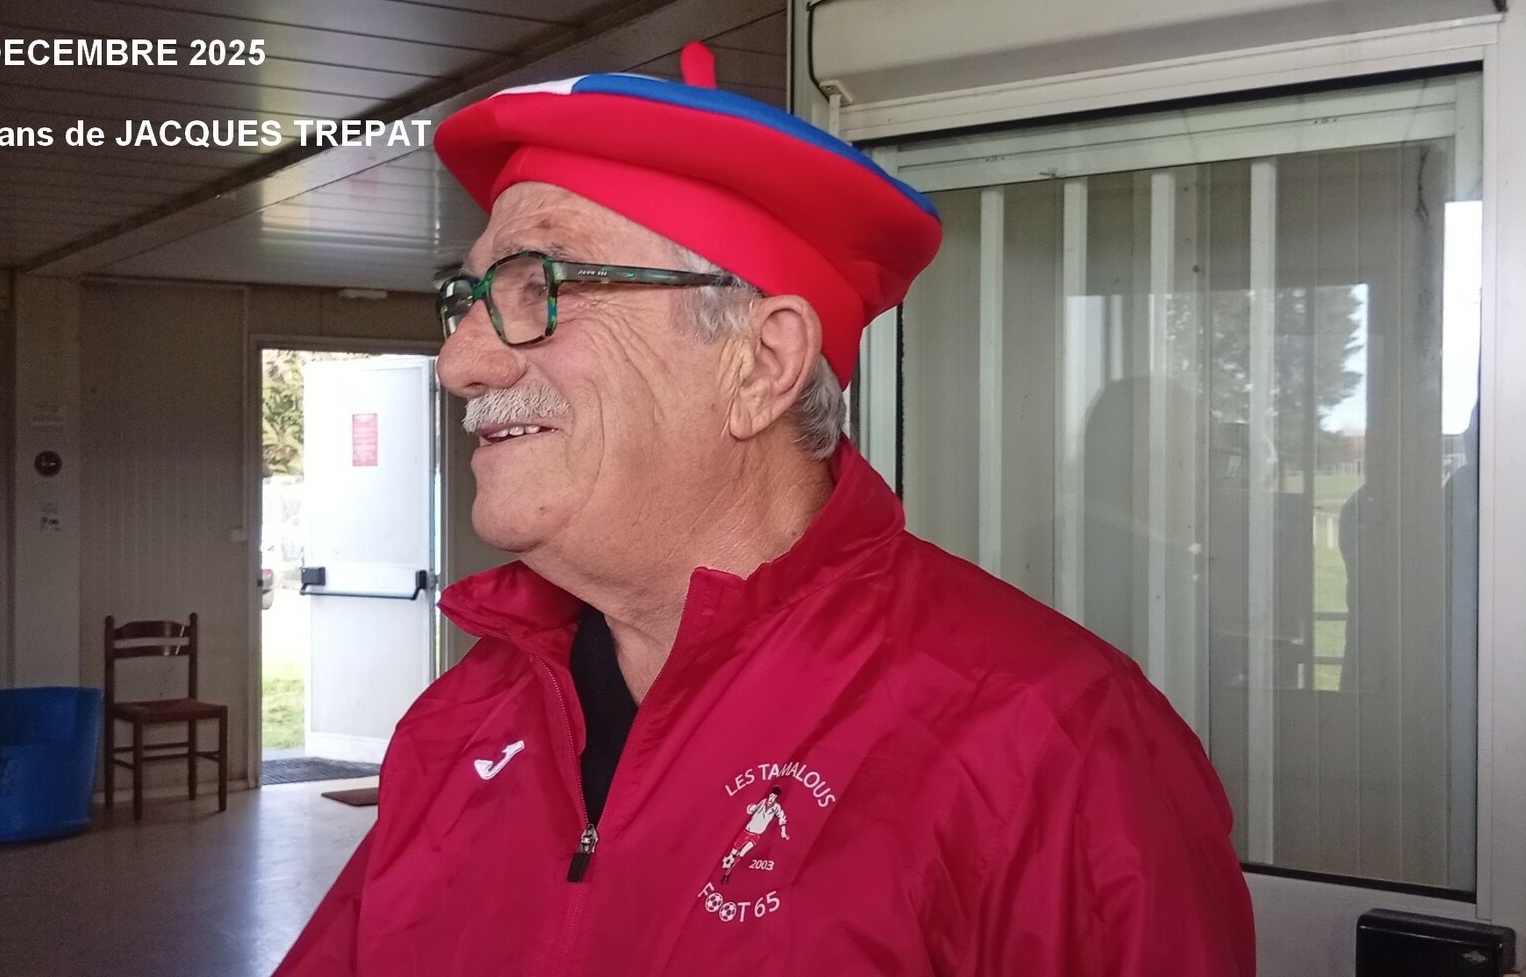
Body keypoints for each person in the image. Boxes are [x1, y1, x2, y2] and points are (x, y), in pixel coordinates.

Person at [275, 42, 1255, 977]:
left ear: (763, 363)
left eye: (541, 286)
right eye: (467, 297)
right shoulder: (460, 724)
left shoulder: (1050, 744)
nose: (458, 361)